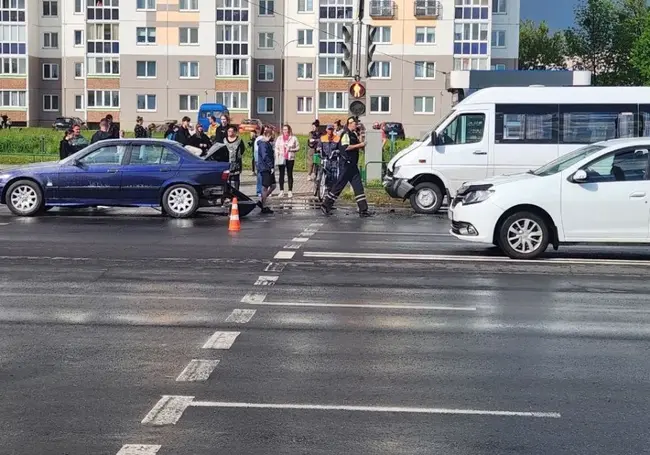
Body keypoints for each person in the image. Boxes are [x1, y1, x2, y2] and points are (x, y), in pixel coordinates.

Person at [321, 116, 373, 217]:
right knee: (339, 185)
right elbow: (346, 147)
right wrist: (360, 145)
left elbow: (359, 145)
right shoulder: (346, 134)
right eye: (355, 123)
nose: (356, 125)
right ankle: (326, 205)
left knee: (358, 186)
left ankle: (363, 210)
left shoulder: (353, 134)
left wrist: (361, 142)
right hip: (346, 164)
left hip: (352, 165)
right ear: (350, 123)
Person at [274, 124, 300, 198]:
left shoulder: (293, 138)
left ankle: (290, 191)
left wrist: (291, 149)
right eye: (284, 129)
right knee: (281, 174)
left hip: (290, 158)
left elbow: (298, 147)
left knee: (289, 174)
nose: (285, 131)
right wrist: (277, 154)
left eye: (286, 129)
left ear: (289, 130)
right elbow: (276, 147)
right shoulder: (279, 138)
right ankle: (281, 191)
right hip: (281, 158)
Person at [256, 126, 276, 214]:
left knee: (273, 185)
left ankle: (262, 201)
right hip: (265, 167)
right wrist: (271, 166)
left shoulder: (267, 143)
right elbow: (265, 156)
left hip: (268, 167)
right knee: (265, 187)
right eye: (272, 137)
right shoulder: (263, 144)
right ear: (269, 135)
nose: (273, 138)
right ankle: (263, 206)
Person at [224, 125, 245, 190]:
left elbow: (242, 149)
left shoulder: (239, 140)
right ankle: (227, 194)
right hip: (227, 162)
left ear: (235, 132)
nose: (230, 133)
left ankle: (236, 194)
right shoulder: (224, 140)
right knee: (227, 179)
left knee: (235, 179)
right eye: (228, 131)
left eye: (231, 131)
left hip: (236, 163)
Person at [253, 130, 265, 197]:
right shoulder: (259, 139)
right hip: (260, 160)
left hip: (264, 160)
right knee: (260, 175)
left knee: (264, 176)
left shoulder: (268, 139)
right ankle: (259, 191)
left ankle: (263, 190)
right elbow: (257, 151)